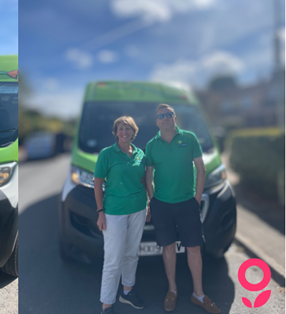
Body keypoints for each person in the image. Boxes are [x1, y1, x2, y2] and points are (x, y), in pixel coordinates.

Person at [145, 104, 221, 314]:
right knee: (168, 248)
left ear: (175, 118)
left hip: (187, 202)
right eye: (161, 116)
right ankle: (172, 290)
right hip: (162, 204)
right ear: (157, 121)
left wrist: (196, 199)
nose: (165, 118)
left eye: (169, 115)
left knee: (194, 248)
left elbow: (201, 168)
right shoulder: (151, 145)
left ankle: (198, 294)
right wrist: (152, 200)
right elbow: (148, 175)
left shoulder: (189, 138)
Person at [94, 116, 150, 314]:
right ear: (116, 132)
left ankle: (127, 292)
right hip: (114, 212)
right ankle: (107, 304)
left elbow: (144, 181)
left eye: (128, 128)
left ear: (134, 132)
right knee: (113, 259)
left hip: (138, 209)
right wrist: (100, 212)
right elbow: (98, 183)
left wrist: (148, 205)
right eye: (121, 128)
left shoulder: (140, 154)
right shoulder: (107, 154)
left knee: (131, 254)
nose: (124, 132)